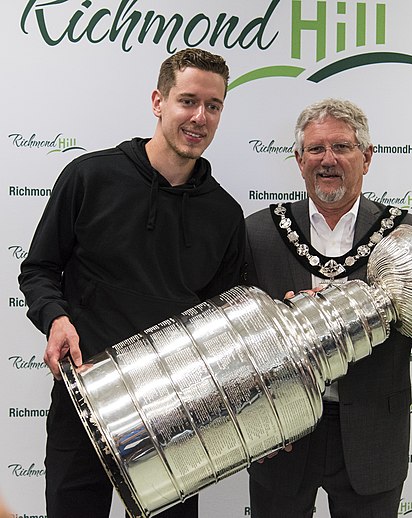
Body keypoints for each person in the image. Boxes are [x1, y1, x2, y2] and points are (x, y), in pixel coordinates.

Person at [18, 48, 246, 518]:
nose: (199, 117)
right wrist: (56, 318)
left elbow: (224, 321)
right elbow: (39, 269)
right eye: (188, 100)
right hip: (85, 394)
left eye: (214, 105)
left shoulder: (225, 215)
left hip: (175, 412)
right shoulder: (90, 176)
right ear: (158, 101)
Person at [244, 98, 412, 518]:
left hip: (372, 437)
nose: (327, 160)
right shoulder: (259, 232)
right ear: (298, 160)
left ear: (367, 158)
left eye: (342, 147)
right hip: (283, 436)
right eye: (315, 149)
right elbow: (238, 341)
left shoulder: (407, 233)